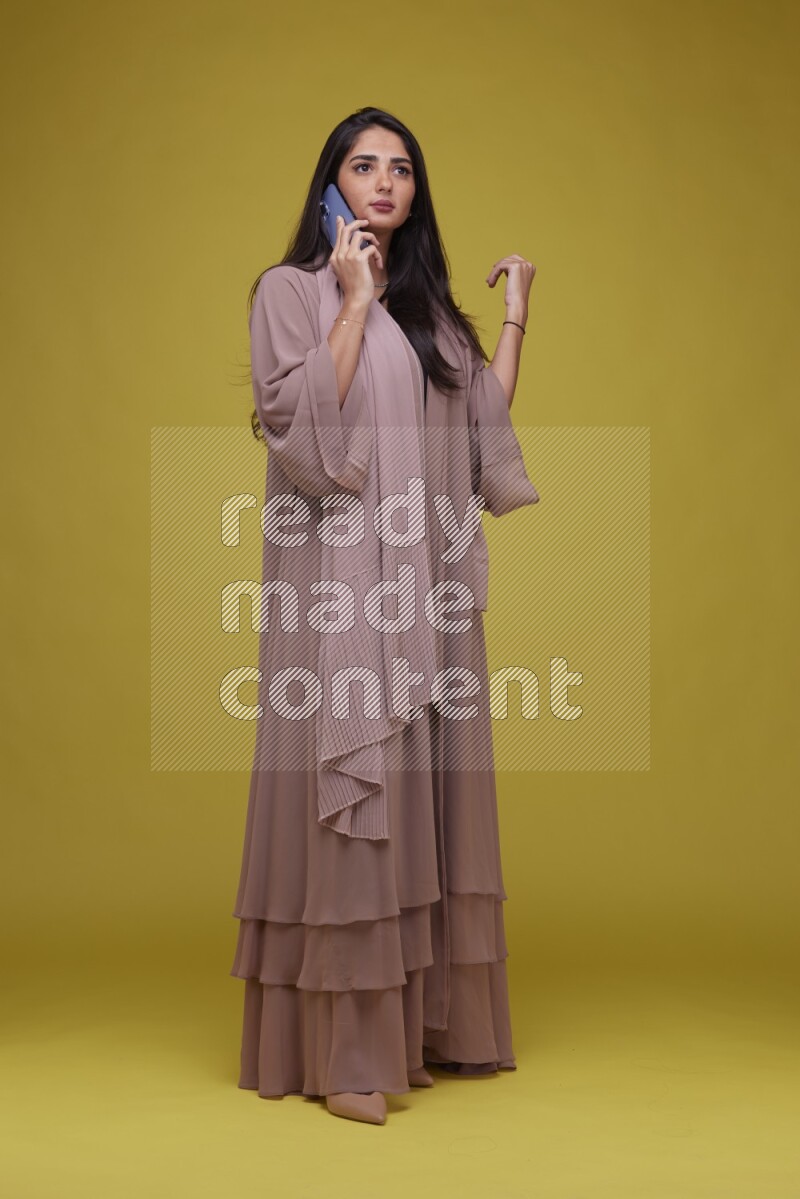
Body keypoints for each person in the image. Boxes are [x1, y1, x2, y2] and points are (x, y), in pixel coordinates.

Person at [230, 106, 539, 1126]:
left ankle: (431, 1025)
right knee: (353, 801)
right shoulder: (289, 293)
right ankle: (347, 1052)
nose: (382, 181)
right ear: (330, 184)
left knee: (427, 792)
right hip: (338, 589)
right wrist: (350, 300)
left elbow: (479, 426)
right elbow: (300, 433)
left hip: (427, 591)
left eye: (399, 168)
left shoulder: (431, 316)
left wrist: (515, 315)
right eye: (361, 165)